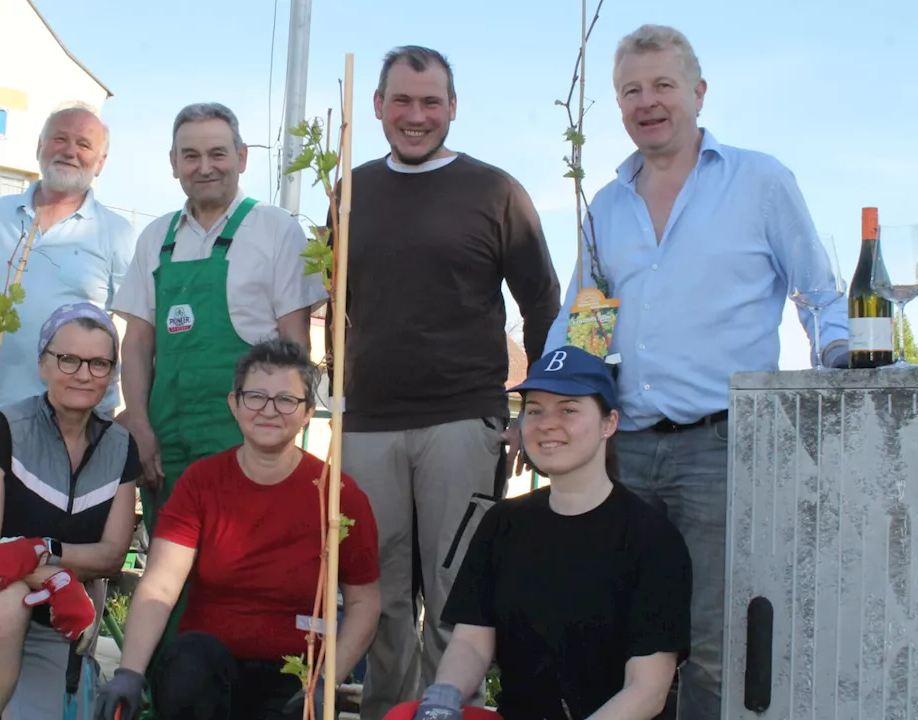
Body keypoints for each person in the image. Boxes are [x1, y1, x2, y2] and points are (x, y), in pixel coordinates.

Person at [540, 24, 848, 720]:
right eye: (631, 90)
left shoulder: (760, 181)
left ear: (698, 93)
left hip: (725, 449)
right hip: (627, 450)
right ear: (618, 104)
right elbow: (586, 321)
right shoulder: (606, 206)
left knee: (711, 643)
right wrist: (550, 399)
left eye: (662, 86)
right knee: (622, 633)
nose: (647, 102)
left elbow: (818, 294)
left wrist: (841, 368)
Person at [329, 46, 562, 718]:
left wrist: (534, 410)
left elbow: (542, 303)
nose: (416, 115)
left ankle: (443, 709)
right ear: (377, 106)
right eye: (401, 100)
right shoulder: (350, 190)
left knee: (456, 590)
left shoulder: (496, 192)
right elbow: (335, 297)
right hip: (367, 423)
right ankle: (385, 710)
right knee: (378, 592)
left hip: (464, 419)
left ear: (453, 109)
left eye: (431, 102)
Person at [95, 338, 381, 720]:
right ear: (234, 403)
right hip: (206, 674)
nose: (269, 410)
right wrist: (129, 672)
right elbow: (161, 586)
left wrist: (325, 684)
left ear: (308, 412)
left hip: (296, 678)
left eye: (286, 400)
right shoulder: (202, 482)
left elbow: (365, 603)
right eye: (256, 396)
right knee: (188, 669)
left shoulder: (339, 496)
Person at [402, 346, 692, 720]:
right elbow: (473, 641)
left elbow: (648, 689)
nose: (547, 423)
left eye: (568, 409)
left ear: (610, 423)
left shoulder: (651, 537)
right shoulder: (503, 523)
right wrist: (443, 697)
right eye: (534, 410)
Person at [111, 101, 327, 535]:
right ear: (174, 164)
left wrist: (282, 432)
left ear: (242, 158)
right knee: (172, 566)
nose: (204, 167)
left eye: (218, 154)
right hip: (167, 439)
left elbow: (296, 342)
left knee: (245, 562)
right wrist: (140, 424)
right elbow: (136, 343)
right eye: (190, 155)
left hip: (248, 435)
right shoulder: (157, 237)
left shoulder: (275, 228)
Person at [0, 302, 140, 720]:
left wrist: (42, 549)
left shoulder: (120, 447)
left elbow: (112, 555)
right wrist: (56, 576)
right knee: (8, 600)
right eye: (68, 359)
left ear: (112, 375)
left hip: (55, 621)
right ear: (43, 363)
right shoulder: (2, 428)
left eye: (98, 363)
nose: (82, 373)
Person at [0, 102, 137, 418]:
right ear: (40, 147)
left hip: (81, 420)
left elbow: (141, 329)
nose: (70, 151)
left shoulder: (117, 234)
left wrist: (136, 410)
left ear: (100, 163)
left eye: (84, 144)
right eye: (60, 139)